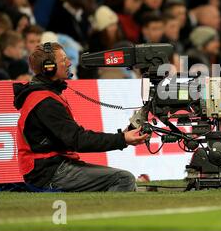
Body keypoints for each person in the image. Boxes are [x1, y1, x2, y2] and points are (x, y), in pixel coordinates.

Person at [13, 42, 149, 192]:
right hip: (49, 173)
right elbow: (78, 140)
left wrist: (124, 135)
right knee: (124, 179)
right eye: (63, 60)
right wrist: (122, 139)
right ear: (49, 68)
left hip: (51, 167)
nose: (69, 63)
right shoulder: (45, 101)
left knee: (124, 181)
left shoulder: (44, 95)